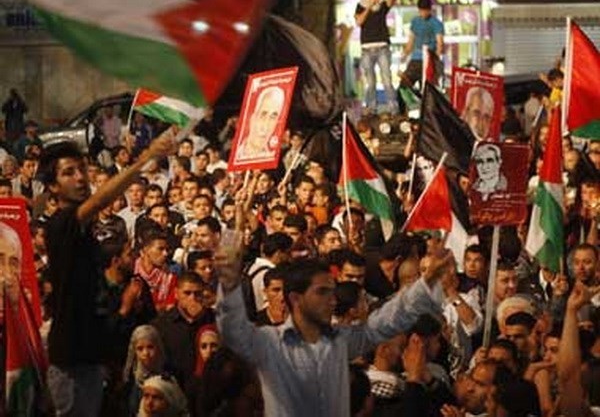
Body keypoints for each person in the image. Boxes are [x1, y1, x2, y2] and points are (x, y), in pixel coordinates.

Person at [215, 245, 452, 417]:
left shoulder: (340, 341)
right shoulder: (269, 342)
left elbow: (384, 322)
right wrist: (228, 277)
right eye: (322, 293)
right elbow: (233, 330)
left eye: (332, 291)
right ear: (296, 298)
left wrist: (426, 282)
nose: (332, 301)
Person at [39, 129, 174, 416]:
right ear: (52, 186)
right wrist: (146, 158)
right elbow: (99, 201)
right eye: (68, 173)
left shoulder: (83, 231)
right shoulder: (61, 224)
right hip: (71, 361)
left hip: (89, 355)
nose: (80, 178)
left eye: (81, 170)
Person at [354, 0, 398, 115]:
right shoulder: (360, 6)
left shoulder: (381, 7)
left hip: (382, 48)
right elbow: (359, 22)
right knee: (370, 81)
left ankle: (393, 108)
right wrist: (368, 8)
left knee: (386, 79)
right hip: (367, 49)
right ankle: (371, 108)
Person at [401, 0, 444, 88]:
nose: (423, 13)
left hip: (429, 59)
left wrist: (436, 59)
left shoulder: (436, 23)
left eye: (426, 10)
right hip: (416, 59)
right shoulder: (415, 22)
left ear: (430, 10)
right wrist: (405, 54)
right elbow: (411, 40)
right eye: (421, 10)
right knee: (404, 85)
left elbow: (440, 43)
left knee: (426, 87)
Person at [234, 86, 285, 162]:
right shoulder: (236, 155)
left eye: (273, 117)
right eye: (263, 115)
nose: (266, 124)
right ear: (252, 118)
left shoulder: (270, 159)